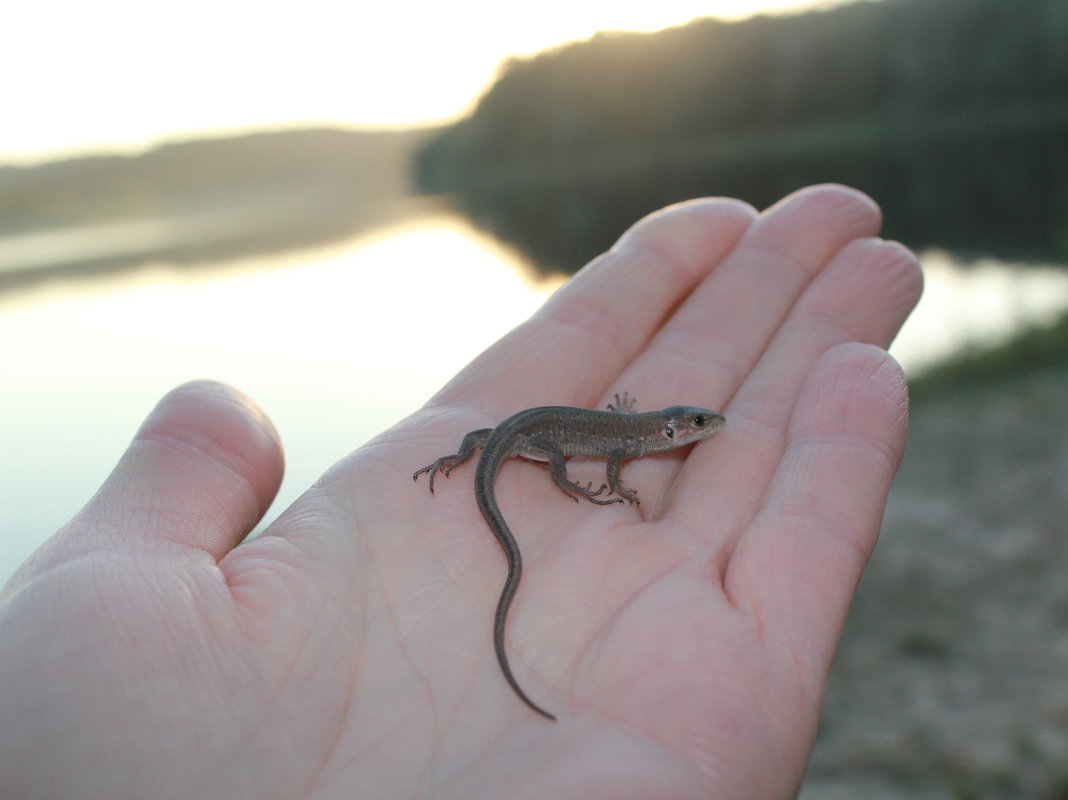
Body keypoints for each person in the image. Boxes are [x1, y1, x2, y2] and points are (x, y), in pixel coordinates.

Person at [0, 185, 921, 799]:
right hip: (527, 441)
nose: (691, 434)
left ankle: (463, 467)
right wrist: (584, 485)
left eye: (689, 429)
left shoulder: (638, 434)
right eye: (691, 428)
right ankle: (475, 475)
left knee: (505, 451)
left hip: (511, 435)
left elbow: (549, 444)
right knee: (543, 464)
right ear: (672, 431)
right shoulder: (624, 444)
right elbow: (581, 458)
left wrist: (474, 456)